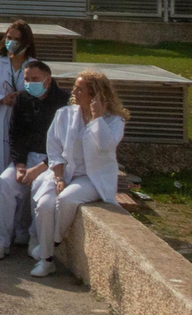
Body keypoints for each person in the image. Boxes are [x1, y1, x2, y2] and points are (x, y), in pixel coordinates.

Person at [28, 69, 128, 277]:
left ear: (95, 94)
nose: (74, 91)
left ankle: (53, 243)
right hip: (62, 172)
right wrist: (58, 177)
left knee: (66, 200)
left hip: (92, 177)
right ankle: (46, 262)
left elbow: (105, 145)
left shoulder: (114, 121)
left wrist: (97, 118)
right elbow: (54, 149)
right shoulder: (65, 114)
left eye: (80, 88)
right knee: (45, 205)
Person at [0, 59, 68, 261]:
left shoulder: (64, 101)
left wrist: (39, 169)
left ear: (47, 79)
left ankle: (35, 239)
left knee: (40, 188)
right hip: (26, 158)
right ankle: (1, 241)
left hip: (53, 162)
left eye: (35, 79)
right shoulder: (23, 99)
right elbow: (15, 134)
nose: (30, 83)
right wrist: (20, 165)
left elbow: (65, 144)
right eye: (26, 79)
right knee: (5, 183)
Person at [0, 21, 37, 180]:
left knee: (19, 163)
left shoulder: (34, 65)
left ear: (26, 42)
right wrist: (1, 99)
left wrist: (21, 98)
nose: (11, 42)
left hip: (22, 120)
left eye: (16, 39)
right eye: (9, 37)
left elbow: (40, 93)